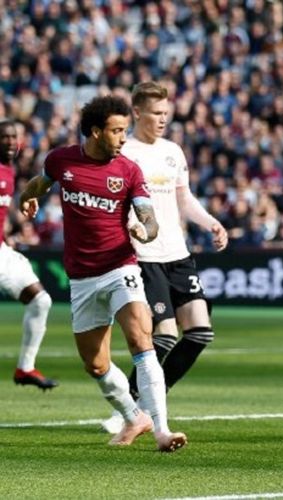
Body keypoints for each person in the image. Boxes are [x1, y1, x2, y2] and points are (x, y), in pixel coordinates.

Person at [19, 95, 186, 452]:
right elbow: (41, 181)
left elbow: (148, 216)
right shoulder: (62, 160)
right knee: (95, 365)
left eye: (125, 130)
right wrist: (27, 196)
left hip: (120, 267)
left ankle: (161, 430)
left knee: (142, 339)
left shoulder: (128, 170)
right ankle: (133, 417)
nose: (124, 138)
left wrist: (147, 230)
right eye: (117, 131)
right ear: (96, 132)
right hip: (81, 278)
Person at [101, 82, 228, 434]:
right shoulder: (125, 153)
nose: (162, 120)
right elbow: (117, 202)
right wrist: (130, 226)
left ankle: (152, 397)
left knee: (200, 333)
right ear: (138, 112)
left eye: (166, 115)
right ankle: (128, 408)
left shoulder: (173, 151)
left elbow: (183, 199)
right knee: (165, 336)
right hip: (144, 255)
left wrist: (211, 222)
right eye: (156, 114)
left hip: (178, 254)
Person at [0, 120, 57, 390]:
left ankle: (25, 368)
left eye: (14, 137)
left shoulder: (9, 171)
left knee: (40, 301)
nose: (11, 142)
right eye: (5, 137)